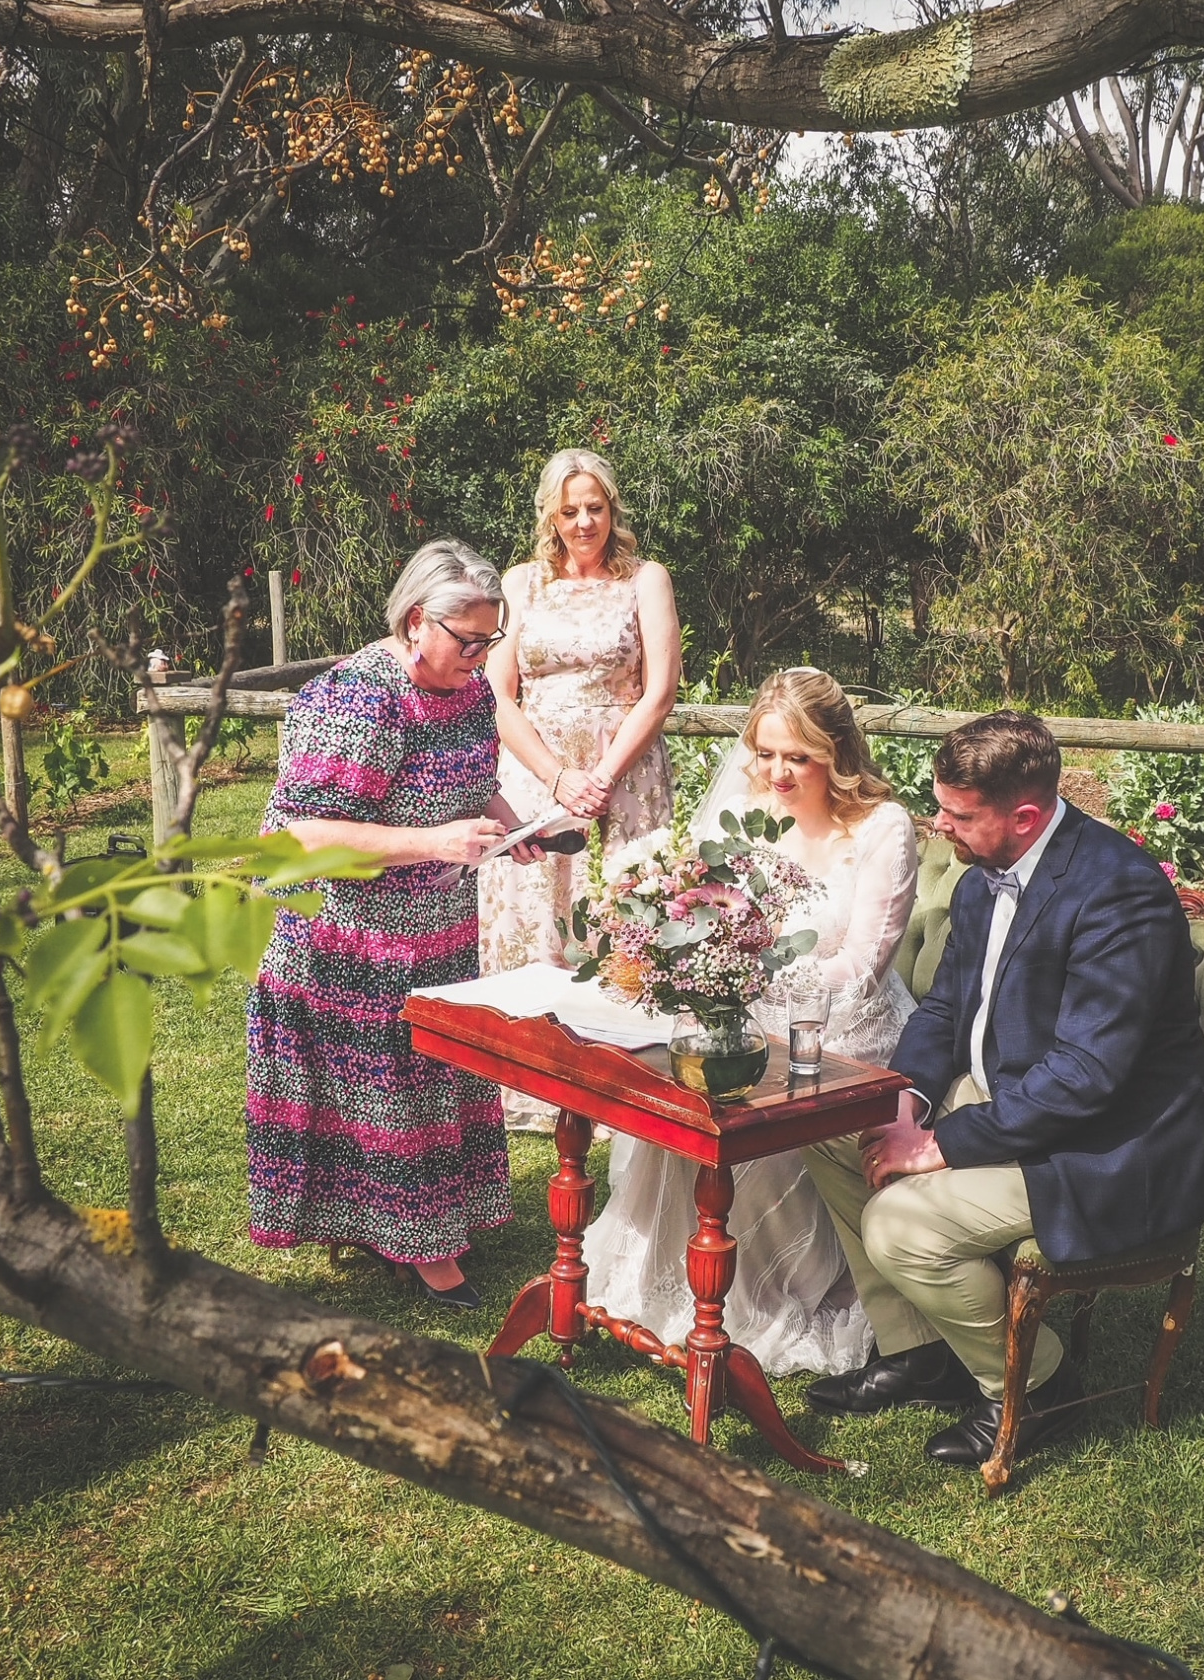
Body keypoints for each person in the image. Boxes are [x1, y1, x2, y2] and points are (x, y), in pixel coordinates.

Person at [801, 711, 1204, 1468]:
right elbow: (941, 1011)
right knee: (830, 1130)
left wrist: (939, 1146)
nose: (941, 828)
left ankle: (1038, 1387)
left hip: (1111, 1147)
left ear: (1024, 817)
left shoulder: (1117, 893)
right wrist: (906, 1105)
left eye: (959, 816)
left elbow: (1086, 1077)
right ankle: (923, 1352)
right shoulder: (978, 880)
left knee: (903, 1226)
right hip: (1015, 1101)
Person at [581, 668, 918, 1375]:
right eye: (765, 754)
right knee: (683, 1087)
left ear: (836, 751)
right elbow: (703, 913)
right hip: (738, 1015)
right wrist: (685, 964)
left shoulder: (882, 828)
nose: (777, 773)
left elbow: (863, 965)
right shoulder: (749, 816)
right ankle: (687, 1279)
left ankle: (782, 1290)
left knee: (750, 1109)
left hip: (844, 1034)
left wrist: (747, 981)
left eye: (798, 756)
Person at [247, 540, 546, 1308]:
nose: (481, 659)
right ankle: (420, 1245)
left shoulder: (469, 690)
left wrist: (512, 825)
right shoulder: (357, 699)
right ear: (419, 621)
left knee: (428, 1078)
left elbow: (476, 783)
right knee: (384, 1088)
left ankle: (412, 1224)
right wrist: (432, 842)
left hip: (437, 928)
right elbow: (299, 837)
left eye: (490, 642)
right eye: (468, 641)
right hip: (349, 936)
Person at [479, 448, 680, 1132]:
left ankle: (620, 1080)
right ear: (550, 516)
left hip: (623, 770)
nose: (584, 521)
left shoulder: (645, 579)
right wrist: (557, 777)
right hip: (538, 771)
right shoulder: (520, 585)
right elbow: (498, 695)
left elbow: (659, 691)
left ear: (612, 509)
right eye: (569, 511)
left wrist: (602, 777)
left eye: (595, 507)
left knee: (618, 915)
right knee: (538, 913)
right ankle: (531, 1085)